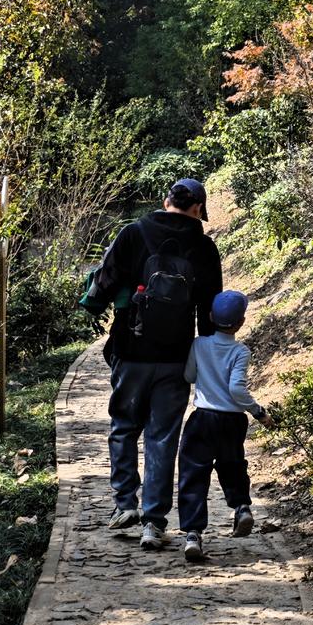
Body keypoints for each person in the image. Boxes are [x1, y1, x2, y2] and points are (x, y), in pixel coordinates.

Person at [87, 178, 222, 550]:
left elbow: (104, 282)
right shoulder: (204, 248)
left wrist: (97, 303)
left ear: (166, 201)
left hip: (131, 351)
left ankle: (124, 503)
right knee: (162, 436)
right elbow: (210, 314)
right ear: (198, 209)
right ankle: (154, 522)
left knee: (124, 426)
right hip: (175, 357)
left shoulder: (134, 233)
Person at [177, 290, 274, 562]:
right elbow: (237, 390)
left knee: (193, 473)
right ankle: (242, 507)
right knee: (232, 464)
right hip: (232, 420)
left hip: (203, 418)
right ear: (241, 323)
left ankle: (193, 535)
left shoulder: (199, 345)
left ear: (209, 317)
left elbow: (188, 375)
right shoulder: (241, 351)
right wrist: (258, 412)